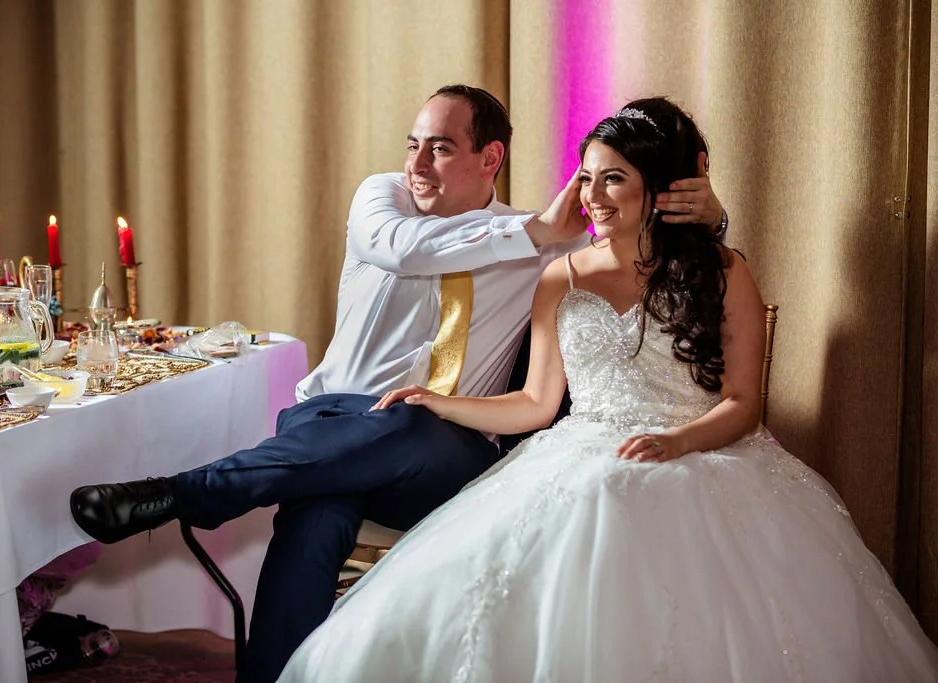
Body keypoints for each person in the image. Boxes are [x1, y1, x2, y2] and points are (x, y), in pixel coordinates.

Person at [68, 85, 725, 683]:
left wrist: (711, 219)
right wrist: (531, 232)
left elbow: (650, 263)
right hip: (329, 423)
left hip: (443, 448)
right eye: (414, 145)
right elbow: (409, 250)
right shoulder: (381, 201)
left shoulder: (550, 250)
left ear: (489, 157)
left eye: (440, 148)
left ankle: (185, 491)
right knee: (315, 515)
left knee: (410, 421)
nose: (417, 162)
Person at [275, 98, 938, 683]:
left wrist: (677, 440)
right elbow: (535, 403)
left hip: (705, 457)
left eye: (613, 178)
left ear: (660, 187)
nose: (591, 195)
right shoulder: (559, 275)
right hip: (578, 450)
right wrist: (437, 399)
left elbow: (743, 402)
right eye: (586, 178)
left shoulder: (724, 271)